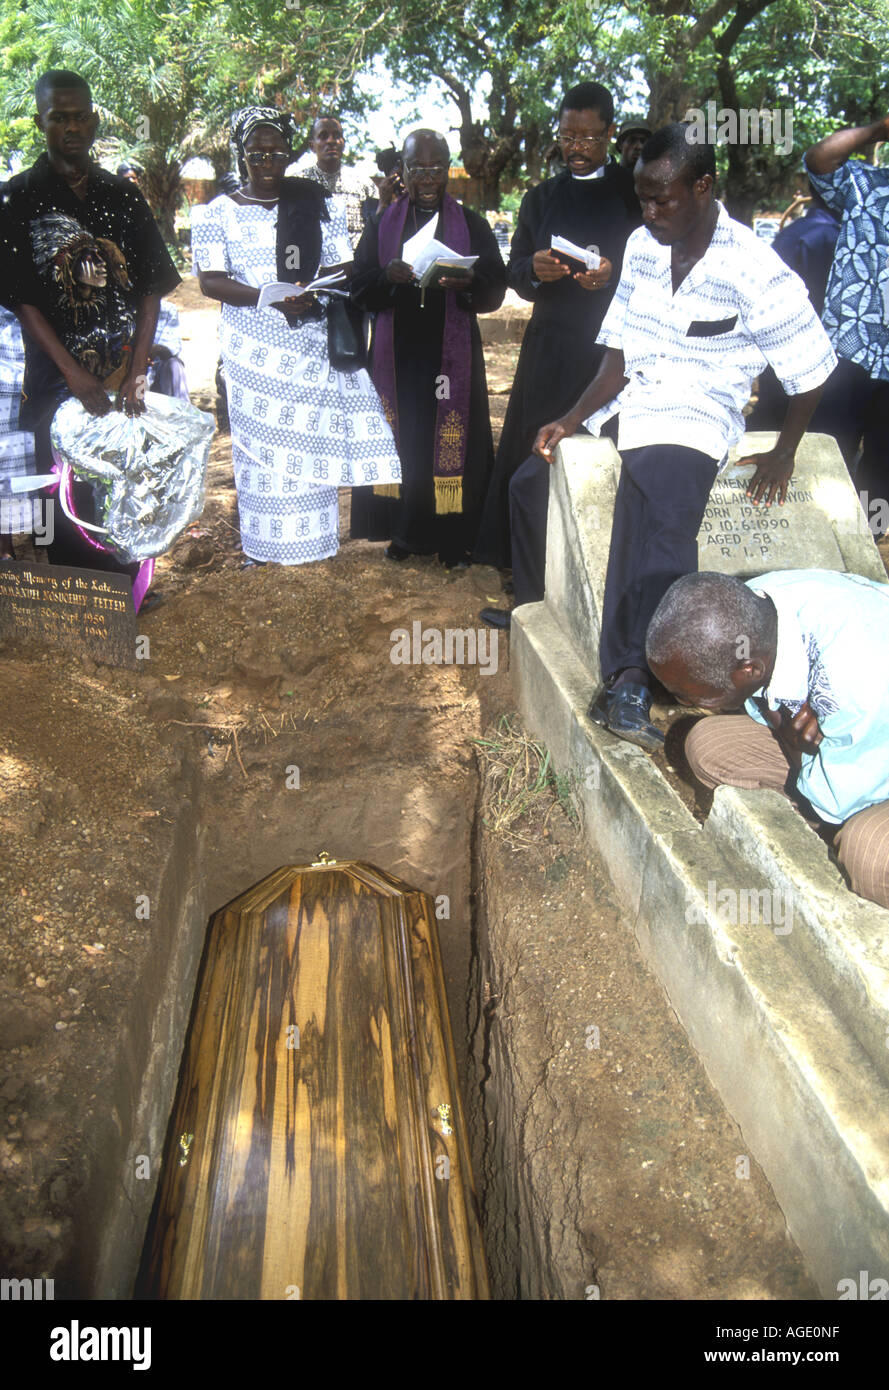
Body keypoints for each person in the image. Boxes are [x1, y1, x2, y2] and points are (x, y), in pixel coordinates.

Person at [530, 123, 837, 751]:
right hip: (635, 399)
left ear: (703, 187)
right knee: (528, 480)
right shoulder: (644, 246)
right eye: (642, 198)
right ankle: (537, 603)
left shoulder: (753, 266)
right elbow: (616, 356)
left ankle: (633, 679)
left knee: (661, 523)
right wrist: (571, 418)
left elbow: (812, 366)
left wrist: (784, 451)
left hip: (697, 414)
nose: (648, 213)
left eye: (662, 199)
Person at [192, 106, 401, 567]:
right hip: (252, 350)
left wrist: (312, 288)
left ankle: (313, 542)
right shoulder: (215, 212)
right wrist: (269, 296)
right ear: (241, 154)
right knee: (261, 446)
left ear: (289, 154)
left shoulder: (311, 201)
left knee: (309, 436)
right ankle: (264, 548)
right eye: (256, 152)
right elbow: (210, 281)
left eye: (276, 151)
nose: (267, 160)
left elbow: (341, 262)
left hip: (307, 337)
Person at [0, 69, 180, 601]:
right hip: (55, 379)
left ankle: (130, 592)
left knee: (127, 481)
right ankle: (82, 602)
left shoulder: (122, 197)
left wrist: (139, 369)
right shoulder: (18, 199)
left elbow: (150, 287)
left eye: (81, 117)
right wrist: (73, 374)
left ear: (94, 120)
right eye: (60, 118)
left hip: (123, 374)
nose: (72, 128)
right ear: (42, 122)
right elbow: (22, 299)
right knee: (62, 494)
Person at [474, 81, 640, 615]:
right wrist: (536, 271)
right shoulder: (541, 198)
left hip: (613, 355)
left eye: (590, 136)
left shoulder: (633, 193)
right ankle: (533, 591)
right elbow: (514, 272)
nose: (578, 147)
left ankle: (595, 586)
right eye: (569, 135)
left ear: (609, 134)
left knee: (600, 466)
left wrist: (612, 277)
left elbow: (656, 266)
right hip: (551, 348)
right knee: (535, 464)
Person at [646, 569, 889, 912]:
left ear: (749, 670)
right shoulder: (757, 602)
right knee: (709, 747)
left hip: (864, 746)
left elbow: (832, 806)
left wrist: (791, 741)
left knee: (868, 850)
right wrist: (786, 728)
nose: (684, 703)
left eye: (688, 694)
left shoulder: (853, 684)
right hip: (863, 748)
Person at [348, 128, 506, 567]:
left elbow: (495, 289)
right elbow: (359, 289)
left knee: (453, 442)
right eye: (418, 168)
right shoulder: (383, 223)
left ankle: (454, 540)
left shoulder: (471, 223)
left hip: (450, 358)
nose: (428, 179)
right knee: (409, 442)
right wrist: (387, 277)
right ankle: (404, 534)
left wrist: (470, 283)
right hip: (398, 358)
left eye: (437, 168)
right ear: (403, 170)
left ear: (448, 168)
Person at [805, 117, 889, 514]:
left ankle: (866, 554)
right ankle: (819, 543)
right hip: (848, 350)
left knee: (881, 477)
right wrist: (878, 128)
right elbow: (820, 158)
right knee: (823, 454)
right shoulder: (864, 184)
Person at [301, 116, 380, 251]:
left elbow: (377, 228)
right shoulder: (299, 184)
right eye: (323, 136)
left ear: (343, 142)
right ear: (312, 146)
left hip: (358, 267)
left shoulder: (364, 184)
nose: (331, 141)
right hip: (313, 267)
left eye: (336, 136)